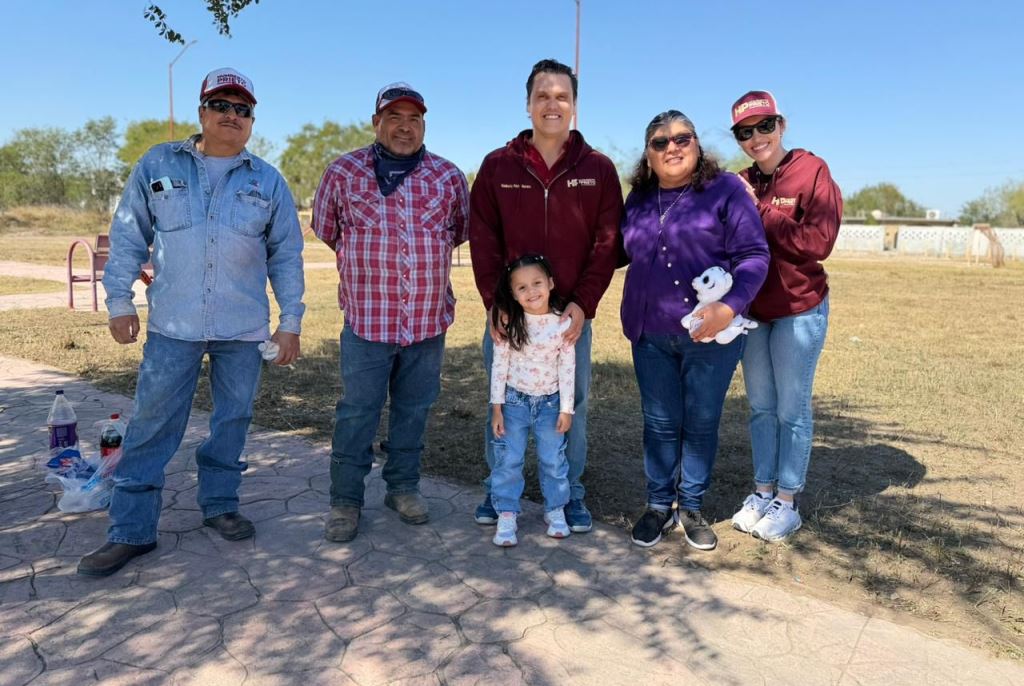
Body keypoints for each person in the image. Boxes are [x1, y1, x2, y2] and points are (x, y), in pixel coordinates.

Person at [78, 67, 305, 577]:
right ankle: (131, 530)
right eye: (221, 105)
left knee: (232, 420)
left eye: (242, 109)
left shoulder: (267, 180)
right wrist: (119, 302)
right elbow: (129, 234)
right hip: (172, 328)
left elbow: (287, 254)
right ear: (202, 112)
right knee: (152, 424)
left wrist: (290, 320)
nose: (232, 115)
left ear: (252, 120)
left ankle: (220, 505)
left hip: (243, 330)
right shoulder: (157, 163)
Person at [470, 58, 623, 534]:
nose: (551, 104)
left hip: (568, 322)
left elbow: (606, 246)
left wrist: (583, 304)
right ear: (527, 103)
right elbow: (483, 239)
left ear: (574, 105)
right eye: (542, 95)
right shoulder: (498, 166)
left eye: (561, 96)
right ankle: (499, 491)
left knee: (570, 407)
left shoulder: (598, 169)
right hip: (510, 319)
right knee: (503, 404)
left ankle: (569, 493)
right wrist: (495, 303)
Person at [312, 82, 469, 543]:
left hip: (427, 322)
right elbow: (328, 229)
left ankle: (402, 487)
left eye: (414, 119)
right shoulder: (342, 173)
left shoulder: (448, 177)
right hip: (367, 322)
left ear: (424, 125)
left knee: (414, 410)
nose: (405, 127)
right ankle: (345, 500)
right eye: (394, 117)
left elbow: (458, 231)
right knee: (356, 413)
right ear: (376, 122)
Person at [621, 110, 769, 552]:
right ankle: (658, 505)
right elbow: (613, 249)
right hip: (650, 332)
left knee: (701, 421)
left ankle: (691, 506)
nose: (673, 147)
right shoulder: (639, 198)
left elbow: (754, 255)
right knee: (660, 422)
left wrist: (729, 306)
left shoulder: (724, 191)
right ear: (648, 155)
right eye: (660, 142)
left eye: (682, 138)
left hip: (710, 334)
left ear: (697, 145)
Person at [727, 91, 842, 541]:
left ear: (782, 124)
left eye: (765, 126)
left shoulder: (811, 171)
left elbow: (818, 243)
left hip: (799, 308)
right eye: (745, 132)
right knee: (761, 406)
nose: (756, 138)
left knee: (792, 408)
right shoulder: (741, 180)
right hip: (755, 312)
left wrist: (761, 211)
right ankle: (762, 492)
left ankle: (788, 501)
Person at [489, 254, 574, 547]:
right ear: (513, 294)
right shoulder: (509, 322)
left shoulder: (563, 323)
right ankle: (507, 513)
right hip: (514, 403)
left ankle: (556, 509)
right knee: (509, 460)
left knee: (553, 459)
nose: (531, 291)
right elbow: (499, 366)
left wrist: (566, 409)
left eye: (537, 283)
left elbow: (567, 368)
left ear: (550, 283)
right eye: (522, 287)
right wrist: (497, 408)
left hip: (550, 404)